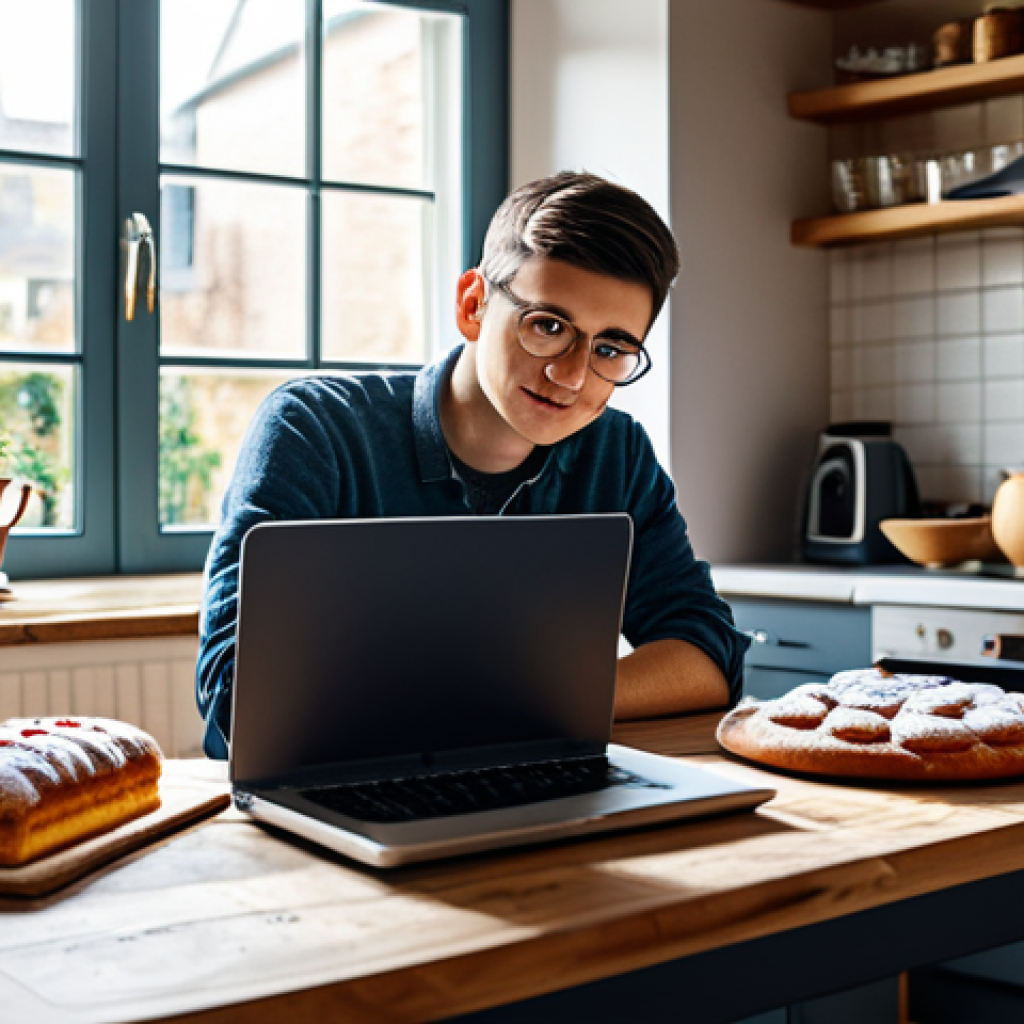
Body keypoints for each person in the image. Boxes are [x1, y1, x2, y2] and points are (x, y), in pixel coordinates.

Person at [196, 171, 749, 760]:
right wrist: (523, 703)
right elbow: (238, 689)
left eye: (609, 349)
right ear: (472, 306)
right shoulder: (314, 429)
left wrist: (523, 704)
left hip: (533, 781)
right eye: (547, 326)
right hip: (343, 780)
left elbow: (707, 657)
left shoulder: (617, 452)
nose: (571, 377)